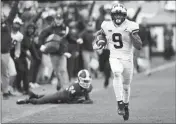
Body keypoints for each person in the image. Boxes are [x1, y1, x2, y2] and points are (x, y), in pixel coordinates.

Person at [93, 3, 142, 121]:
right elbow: (100, 34)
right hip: (114, 56)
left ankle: (125, 105)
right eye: (116, 14)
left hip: (127, 58)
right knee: (116, 73)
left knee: (126, 86)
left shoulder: (131, 25)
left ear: (125, 15)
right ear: (112, 15)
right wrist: (100, 41)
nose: (118, 17)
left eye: (120, 14)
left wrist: (133, 36)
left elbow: (139, 46)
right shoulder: (106, 25)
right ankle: (120, 103)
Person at [16, 69, 93, 105]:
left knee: (47, 98)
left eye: (87, 81)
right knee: (40, 102)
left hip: (63, 95)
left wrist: (87, 99)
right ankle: (26, 101)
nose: (86, 83)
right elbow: (68, 100)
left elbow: (86, 93)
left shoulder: (88, 87)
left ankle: (35, 96)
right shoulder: (75, 88)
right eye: (84, 81)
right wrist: (79, 101)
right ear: (79, 79)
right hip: (61, 96)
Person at [1, 1, 19, 99]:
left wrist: (16, 2)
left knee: (5, 72)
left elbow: (13, 12)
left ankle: (5, 92)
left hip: (5, 52)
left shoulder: (8, 22)